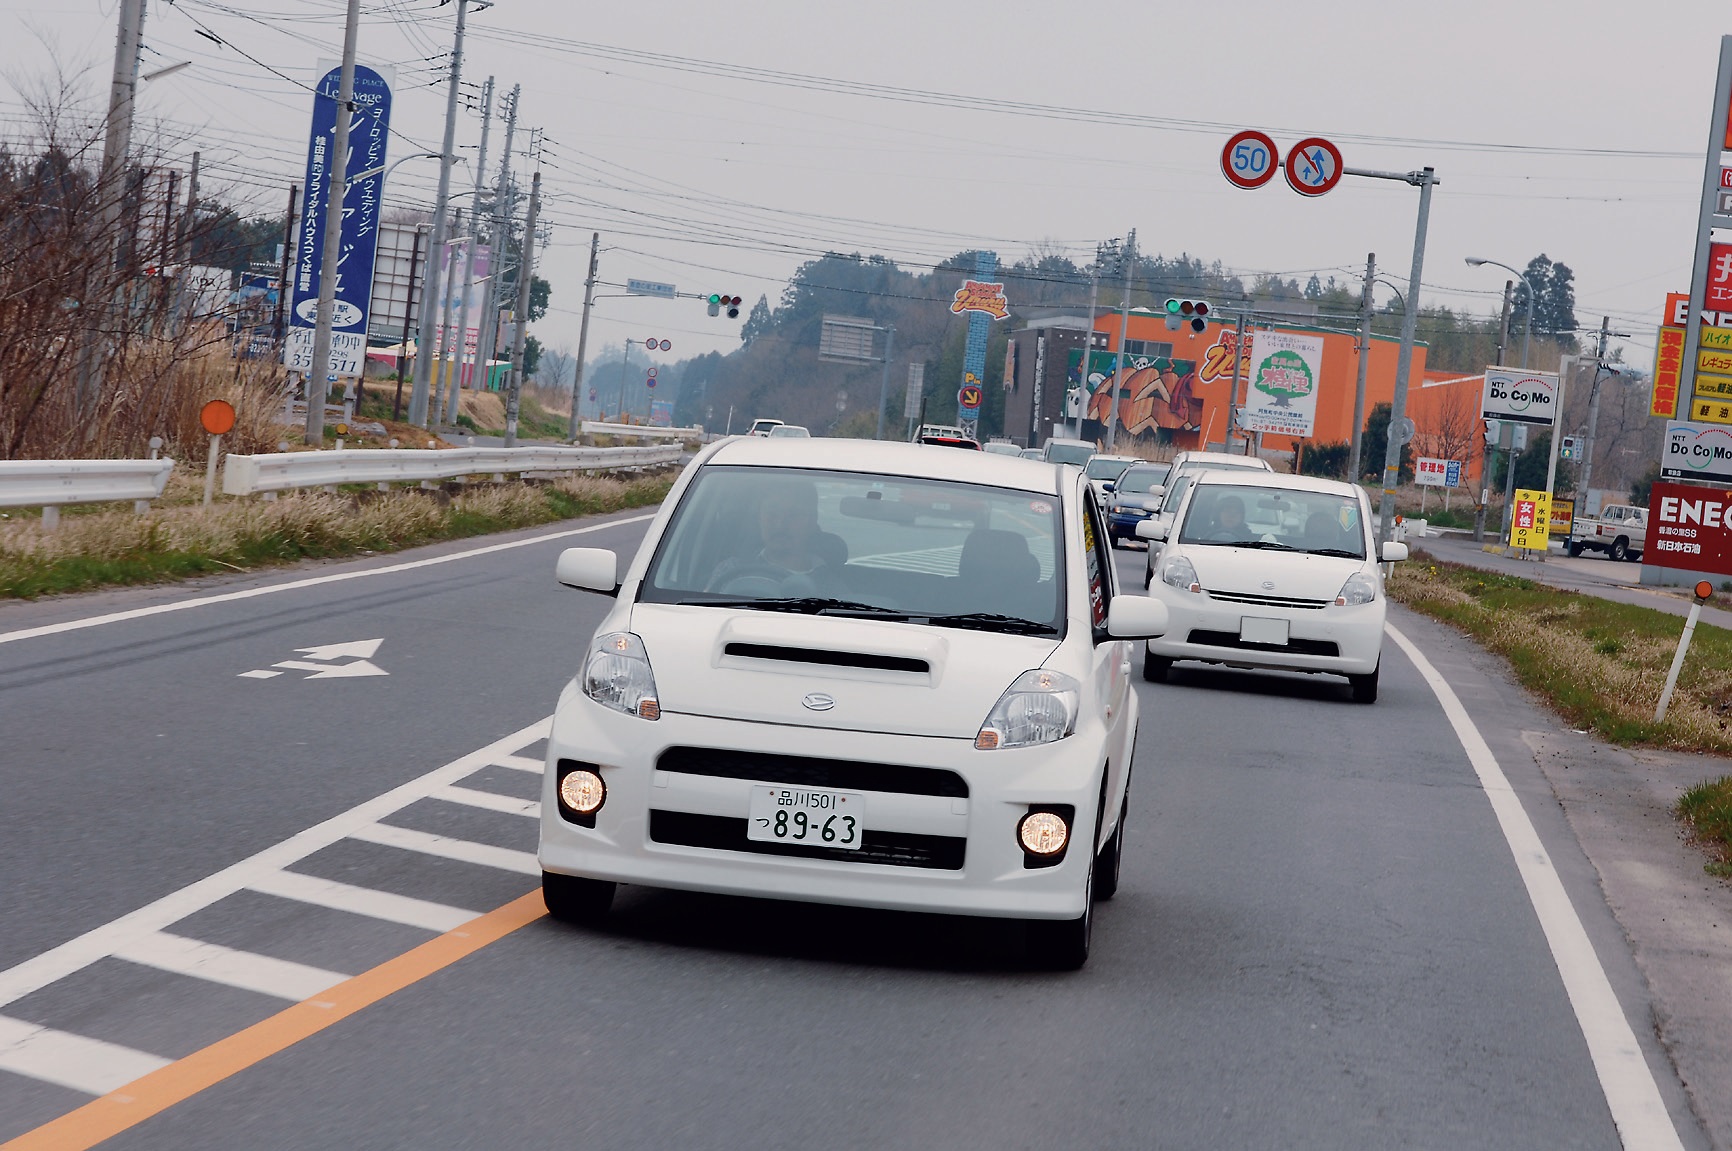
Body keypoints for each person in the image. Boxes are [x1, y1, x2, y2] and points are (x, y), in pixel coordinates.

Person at [706, 480, 831, 593]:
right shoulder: (730, 572)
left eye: (793, 514)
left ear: (812, 521)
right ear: (759, 518)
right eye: (772, 513)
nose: (780, 524)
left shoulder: (833, 583)